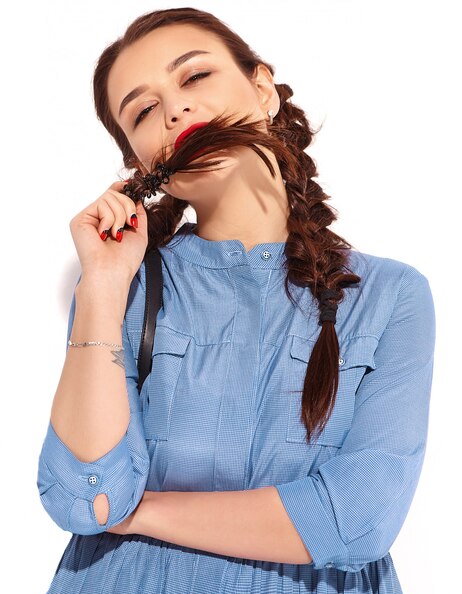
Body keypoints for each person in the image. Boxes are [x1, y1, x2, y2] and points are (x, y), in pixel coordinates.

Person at [36, 7, 436, 594]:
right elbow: (82, 496)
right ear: (140, 163)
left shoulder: (388, 295)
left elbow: (358, 520)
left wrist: (135, 513)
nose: (174, 109)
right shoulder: (123, 285)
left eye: (193, 77)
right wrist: (100, 284)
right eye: (143, 111)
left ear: (262, 88)